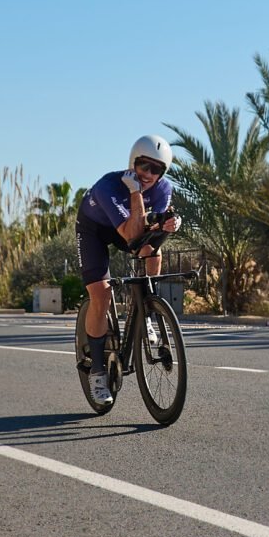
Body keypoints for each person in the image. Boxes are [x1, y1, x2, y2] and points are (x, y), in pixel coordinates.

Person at [75, 134, 180, 405]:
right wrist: (135, 193)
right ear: (133, 163)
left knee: (153, 251)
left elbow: (149, 230)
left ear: (162, 173)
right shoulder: (108, 186)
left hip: (128, 226)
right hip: (94, 230)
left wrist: (167, 225)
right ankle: (97, 372)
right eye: (143, 165)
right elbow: (132, 234)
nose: (147, 174)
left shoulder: (163, 189)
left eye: (155, 169)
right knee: (101, 294)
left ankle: (146, 309)